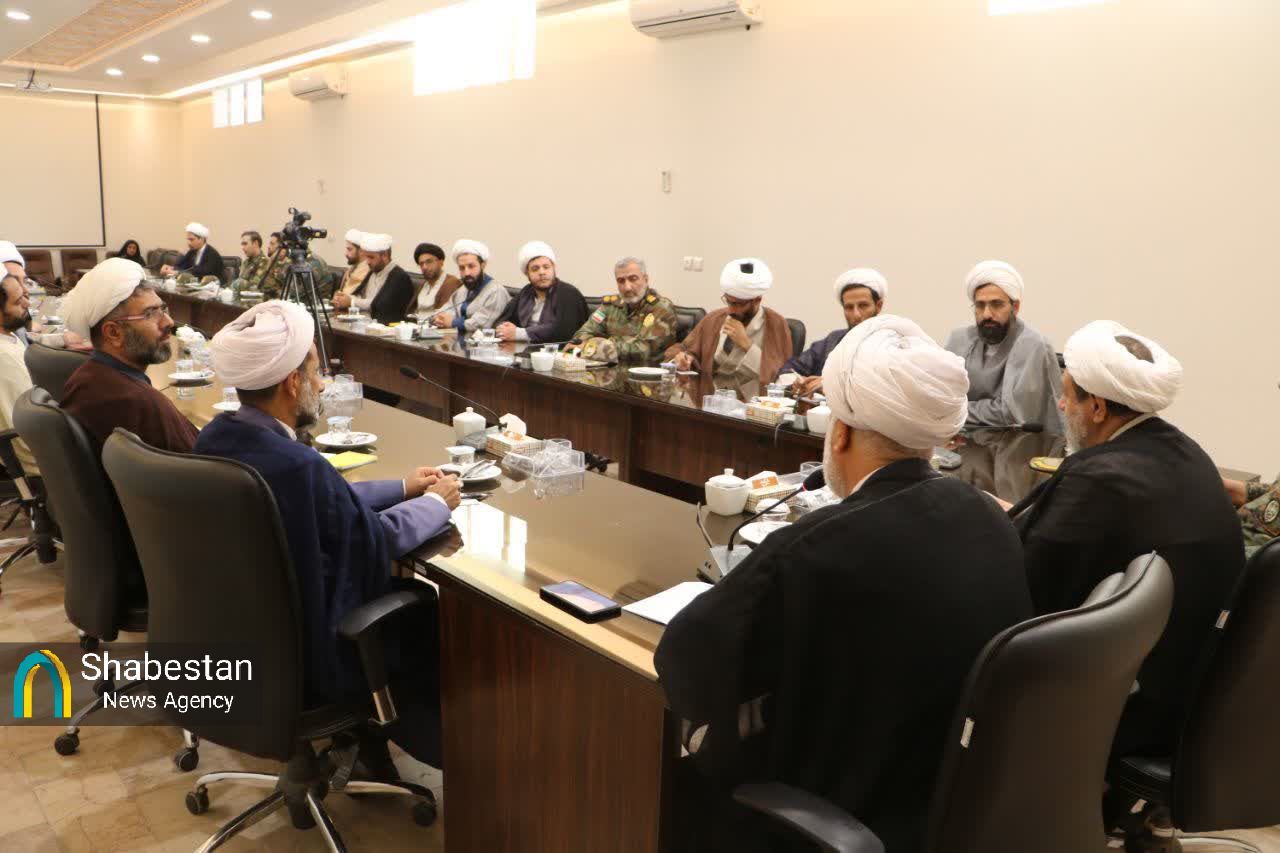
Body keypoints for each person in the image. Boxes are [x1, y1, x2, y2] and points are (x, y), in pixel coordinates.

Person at [656, 315, 1031, 852]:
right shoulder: (991, 517)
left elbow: (685, 660)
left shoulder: (812, 548)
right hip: (953, 802)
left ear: (841, 432)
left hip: (835, 811)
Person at [197, 300, 461, 767]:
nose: (321, 385)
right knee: (423, 608)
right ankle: (456, 754)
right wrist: (437, 503)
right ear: (292, 382)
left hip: (243, 634)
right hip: (311, 653)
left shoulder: (218, 436)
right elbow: (376, 539)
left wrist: (403, 487)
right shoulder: (296, 465)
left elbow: (329, 505)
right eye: (316, 373)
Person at [1013, 320, 1243, 758]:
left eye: (1067, 395)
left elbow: (1025, 594)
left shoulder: (1099, 478)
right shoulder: (1186, 451)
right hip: (1199, 697)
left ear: (1097, 408)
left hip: (1134, 713)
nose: (1060, 404)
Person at [60, 258, 199, 455]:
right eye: (150, 314)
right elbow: (206, 466)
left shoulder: (83, 378)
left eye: (163, 309)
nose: (168, 322)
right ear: (114, 333)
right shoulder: (140, 402)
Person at [944, 260, 1063, 432]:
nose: (987, 314)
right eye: (980, 305)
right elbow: (940, 398)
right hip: (963, 440)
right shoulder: (960, 339)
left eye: (996, 304)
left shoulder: (1034, 345)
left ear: (1016, 307)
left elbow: (1012, 413)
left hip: (1019, 444)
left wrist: (955, 411)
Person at [664, 258, 792, 390]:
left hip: (752, 398)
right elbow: (685, 349)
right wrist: (683, 359)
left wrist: (746, 344)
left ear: (757, 300)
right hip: (711, 394)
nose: (731, 310)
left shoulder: (775, 324)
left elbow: (779, 376)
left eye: (738, 304)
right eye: (728, 301)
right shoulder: (715, 318)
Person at [780, 267, 887, 397]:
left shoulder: (891, 345)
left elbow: (882, 388)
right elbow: (791, 368)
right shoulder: (833, 340)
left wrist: (830, 385)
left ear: (878, 306)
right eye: (849, 307)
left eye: (863, 305)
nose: (856, 314)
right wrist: (797, 383)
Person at [569, 256, 677, 362]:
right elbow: (582, 334)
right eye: (621, 281)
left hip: (647, 371)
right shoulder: (610, 306)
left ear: (646, 279)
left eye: (633, 279)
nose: (627, 287)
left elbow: (644, 350)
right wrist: (594, 345)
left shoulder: (661, 308)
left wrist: (599, 346)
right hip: (608, 370)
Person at [495, 241, 589, 345]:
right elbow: (502, 321)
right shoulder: (525, 293)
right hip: (525, 349)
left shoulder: (569, 293)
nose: (542, 272)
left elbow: (563, 331)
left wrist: (520, 333)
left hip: (557, 352)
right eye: (535, 269)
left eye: (546, 267)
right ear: (527, 274)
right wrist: (504, 329)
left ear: (554, 268)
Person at [431, 240, 511, 333]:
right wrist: (438, 318)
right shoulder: (463, 289)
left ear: (483, 265)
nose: (467, 273)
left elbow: (483, 325)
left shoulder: (496, 292)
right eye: (462, 268)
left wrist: (453, 322)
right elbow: (446, 310)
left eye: (471, 266)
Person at [331, 233, 412, 324]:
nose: (367, 262)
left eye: (371, 257)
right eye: (366, 257)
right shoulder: (373, 271)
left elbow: (380, 304)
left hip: (384, 326)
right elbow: (360, 295)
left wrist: (352, 301)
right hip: (363, 322)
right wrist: (343, 298)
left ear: (384, 255)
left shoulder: (399, 277)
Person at [0, 274, 36, 473]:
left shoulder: (8, 336)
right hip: (38, 467)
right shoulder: (3, 357)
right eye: (18, 301)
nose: (27, 303)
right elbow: (24, 443)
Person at [259, 232, 330, 301]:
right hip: (295, 303)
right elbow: (265, 287)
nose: (284, 248)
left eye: (286, 246)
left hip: (313, 304)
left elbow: (294, 293)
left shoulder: (313, 262)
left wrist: (276, 293)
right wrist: (271, 261)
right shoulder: (291, 262)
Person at [411, 243, 460, 315]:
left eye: (429, 262)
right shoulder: (422, 285)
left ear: (441, 262)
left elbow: (445, 315)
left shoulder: (451, 283)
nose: (425, 267)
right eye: (421, 264)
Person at [337, 228, 370, 297]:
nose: (346, 254)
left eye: (349, 249)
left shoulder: (366, 272)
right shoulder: (352, 269)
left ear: (361, 251)